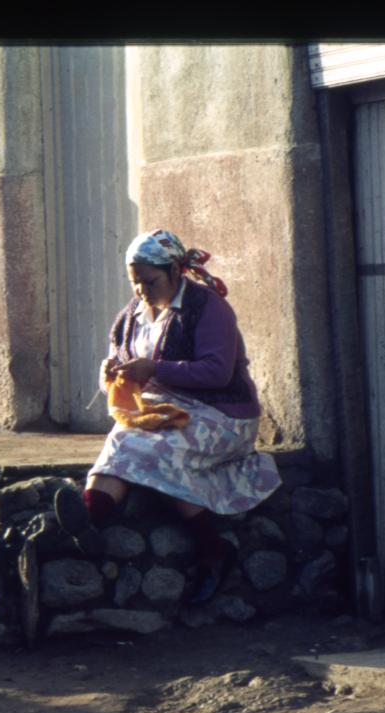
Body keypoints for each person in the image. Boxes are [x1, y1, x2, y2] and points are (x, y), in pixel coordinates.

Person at [54, 228, 281, 606]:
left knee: (157, 451)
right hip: (163, 412)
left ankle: (213, 549)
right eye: (135, 282)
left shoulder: (208, 308)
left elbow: (217, 372)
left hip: (221, 414)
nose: (141, 290)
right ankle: (89, 522)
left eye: (149, 281)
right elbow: (122, 362)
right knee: (122, 440)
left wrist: (153, 369)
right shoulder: (130, 317)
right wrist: (111, 372)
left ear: (175, 271)